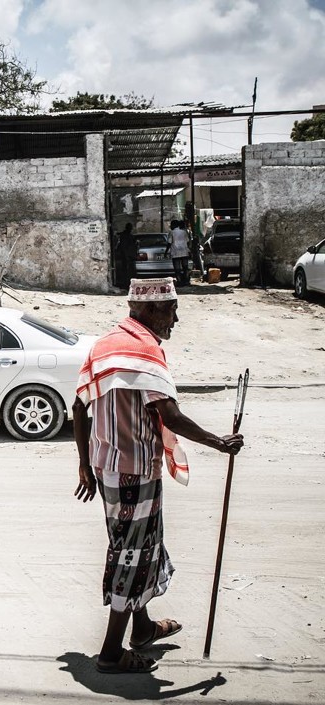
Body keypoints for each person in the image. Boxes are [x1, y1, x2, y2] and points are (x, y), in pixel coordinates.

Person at [72, 277, 244, 674]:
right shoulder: (144, 349)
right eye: (172, 309)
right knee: (130, 556)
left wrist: (84, 462)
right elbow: (169, 415)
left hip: (108, 468)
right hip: (133, 472)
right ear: (149, 310)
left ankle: (144, 627)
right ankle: (111, 653)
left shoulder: (106, 343)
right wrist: (218, 443)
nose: (176, 319)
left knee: (140, 545)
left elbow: (79, 406)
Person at [169, 220, 190, 286]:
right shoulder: (184, 232)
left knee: (177, 268)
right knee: (185, 267)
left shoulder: (172, 232)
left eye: (171, 225)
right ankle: (186, 281)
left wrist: (166, 252)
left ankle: (179, 281)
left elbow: (169, 243)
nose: (170, 226)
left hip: (175, 252)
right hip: (184, 251)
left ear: (174, 225)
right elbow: (188, 241)